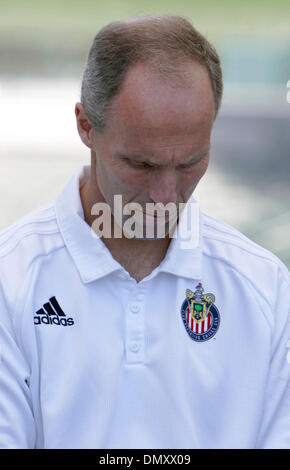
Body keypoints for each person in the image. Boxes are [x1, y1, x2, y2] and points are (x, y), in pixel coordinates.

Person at [0, 15, 289, 449]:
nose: (167, 196)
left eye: (191, 162)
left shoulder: (266, 288)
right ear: (85, 126)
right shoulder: (10, 280)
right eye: (142, 165)